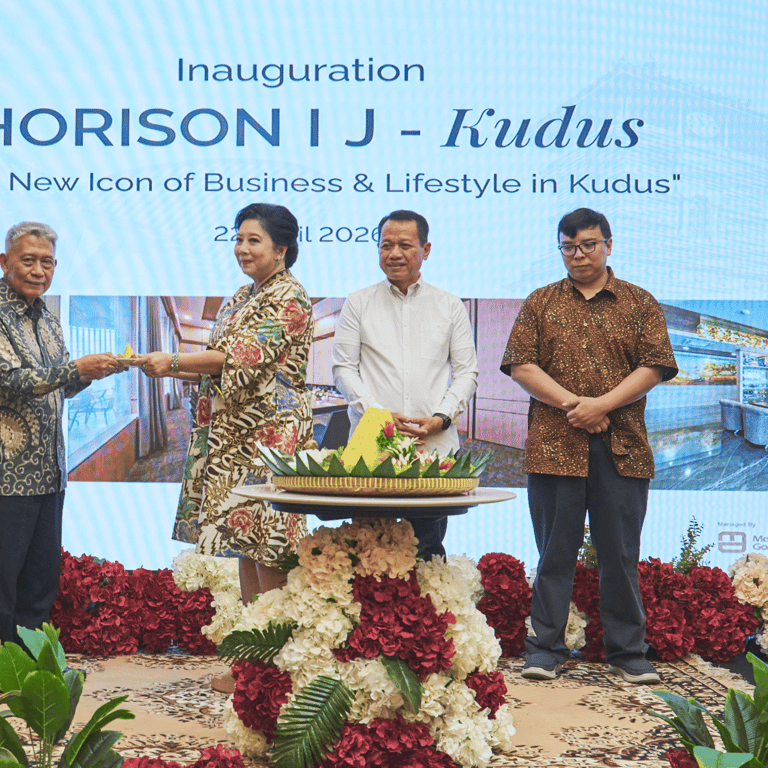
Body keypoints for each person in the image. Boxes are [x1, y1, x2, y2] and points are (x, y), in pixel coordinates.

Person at [135, 202, 313, 693]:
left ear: (281, 249)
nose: (242, 248)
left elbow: (242, 358)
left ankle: (276, 670)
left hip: (270, 439)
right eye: (238, 238)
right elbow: (221, 359)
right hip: (233, 438)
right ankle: (254, 664)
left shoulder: (291, 297)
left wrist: (173, 362)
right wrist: (174, 365)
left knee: (270, 547)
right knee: (246, 547)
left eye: (254, 240)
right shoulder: (240, 297)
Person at [501, 208, 676, 685]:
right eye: (568, 246)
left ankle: (627, 651)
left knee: (619, 553)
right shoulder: (540, 302)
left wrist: (602, 405)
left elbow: (654, 367)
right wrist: (574, 406)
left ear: (608, 245)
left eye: (588, 245)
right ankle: (545, 649)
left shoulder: (639, 302)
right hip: (554, 446)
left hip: (622, 447)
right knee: (553, 553)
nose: (578, 255)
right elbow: (521, 366)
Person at [0, 221, 121, 646]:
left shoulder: (47, 317)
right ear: (4, 262)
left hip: (48, 471)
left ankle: (29, 667)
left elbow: (59, 384)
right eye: (28, 260)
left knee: (41, 581)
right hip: (1, 472)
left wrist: (94, 371)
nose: (38, 270)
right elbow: (10, 380)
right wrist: (75, 368)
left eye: (46, 262)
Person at [331, 210, 478, 560]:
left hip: (432, 448)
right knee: (367, 553)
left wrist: (442, 418)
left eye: (405, 245)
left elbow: (467, 373)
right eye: (386, 245)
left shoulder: (449, 305)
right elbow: (343, 369)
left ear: (425, 250)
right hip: (371, 449)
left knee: (427, 550)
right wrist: (378, 415)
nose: (394, 253)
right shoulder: (358, 302)